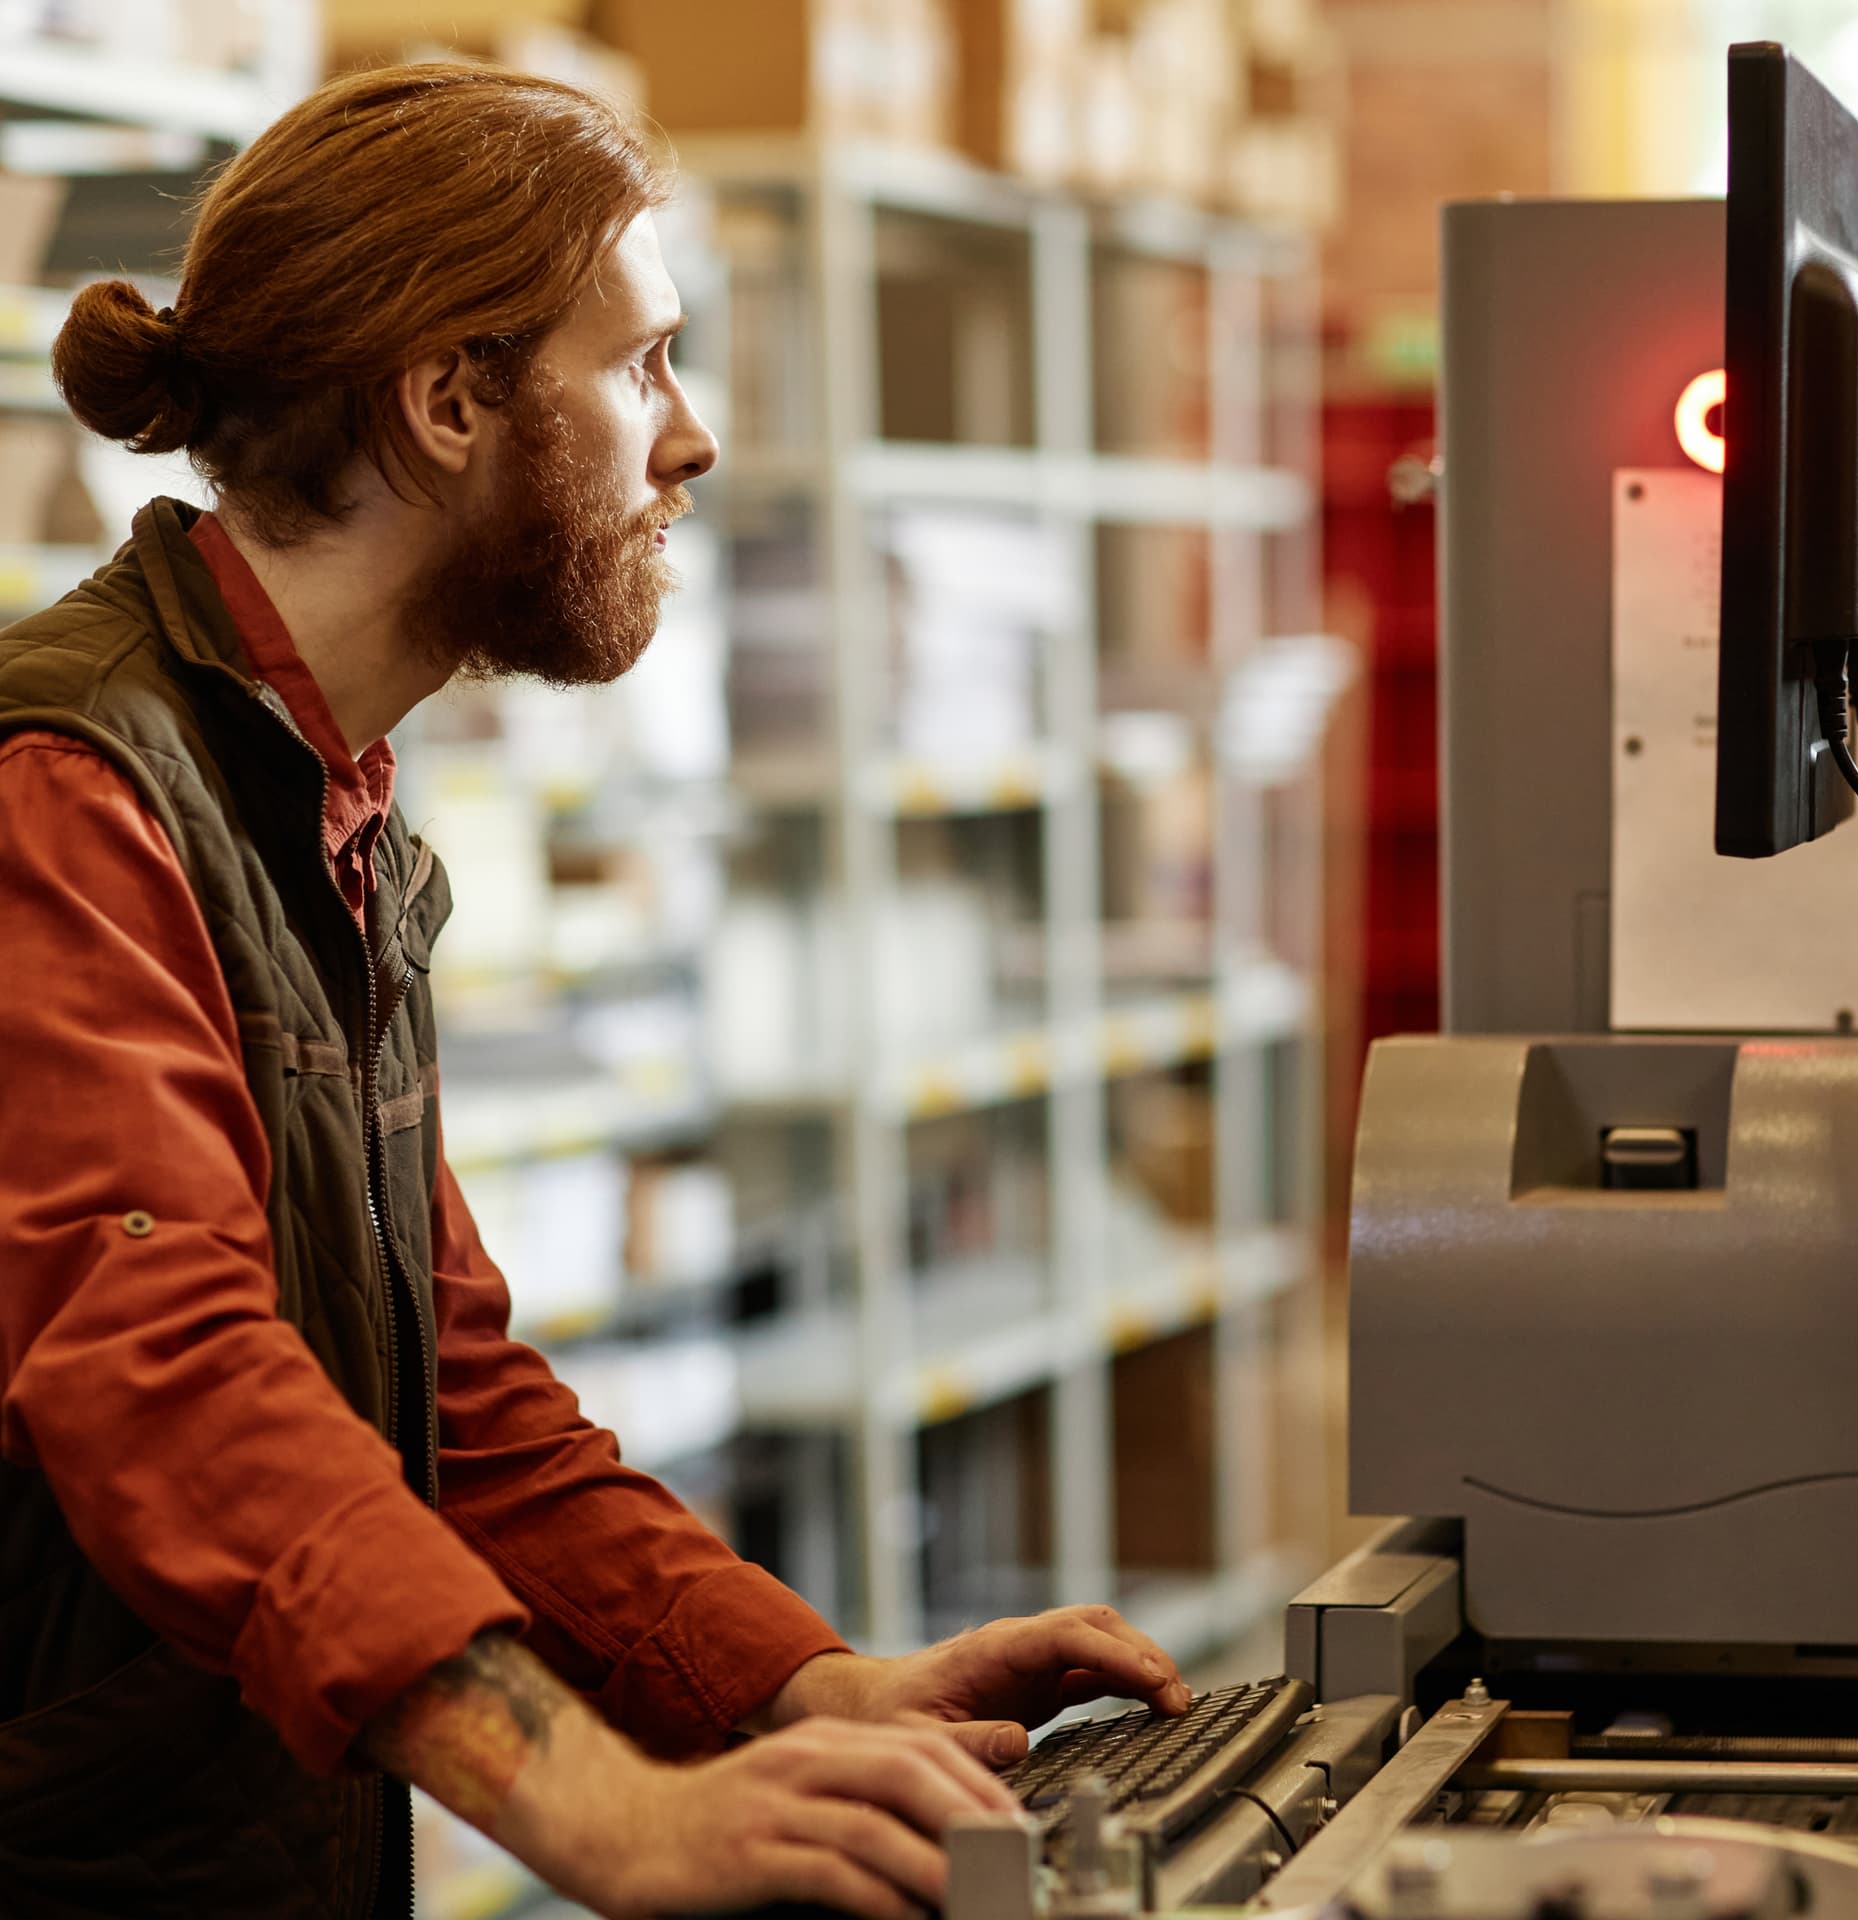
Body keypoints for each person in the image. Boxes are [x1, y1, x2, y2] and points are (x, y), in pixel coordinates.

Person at [0, 61, 1193, 1920]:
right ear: (454, 400)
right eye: (643, 362)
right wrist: (609, 1820)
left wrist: (798, 1686)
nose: (692, 438)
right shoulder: (69, 792)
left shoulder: (321, 806)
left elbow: (448, 1396)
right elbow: (161, 1375)